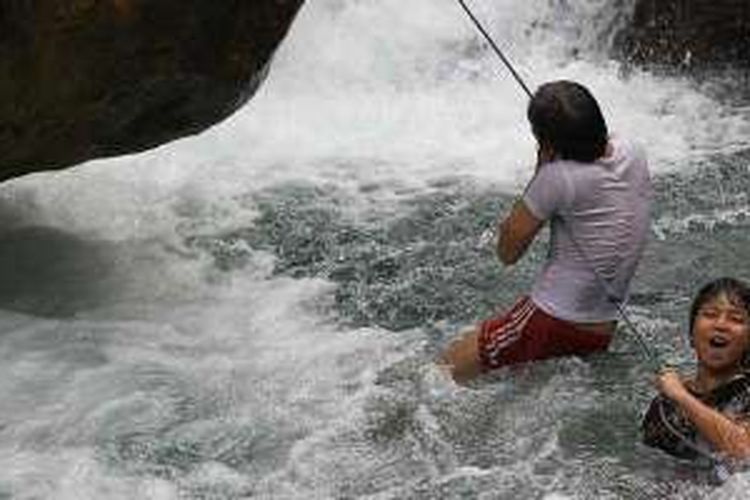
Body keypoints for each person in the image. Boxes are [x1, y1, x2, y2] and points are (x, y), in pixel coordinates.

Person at [440, 80, 652, 382]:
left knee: (441, 373)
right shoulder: (634, 150)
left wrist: (540, 170)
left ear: (547, 144)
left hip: (554, 317)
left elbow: (507, 252)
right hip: (604, 323)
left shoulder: (556, 178)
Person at [642, 278, 750, 467]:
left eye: (736, 319)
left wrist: (682, 397)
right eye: (710, 314)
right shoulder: (665, 405)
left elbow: (745, 452)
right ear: (691, 335)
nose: (721, 325)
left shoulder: (746, 392)